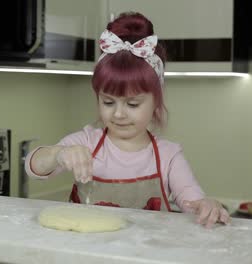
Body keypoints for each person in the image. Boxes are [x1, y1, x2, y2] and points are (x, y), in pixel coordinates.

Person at [25, 12, 230, 229]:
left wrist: (207, 205)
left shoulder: (169, 156)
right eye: (108, 102)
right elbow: (34, 167)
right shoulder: (86, 142)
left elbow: (193, 201)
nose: (119, 114)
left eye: (132, 104)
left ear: (155, 103)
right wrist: (58, 154)